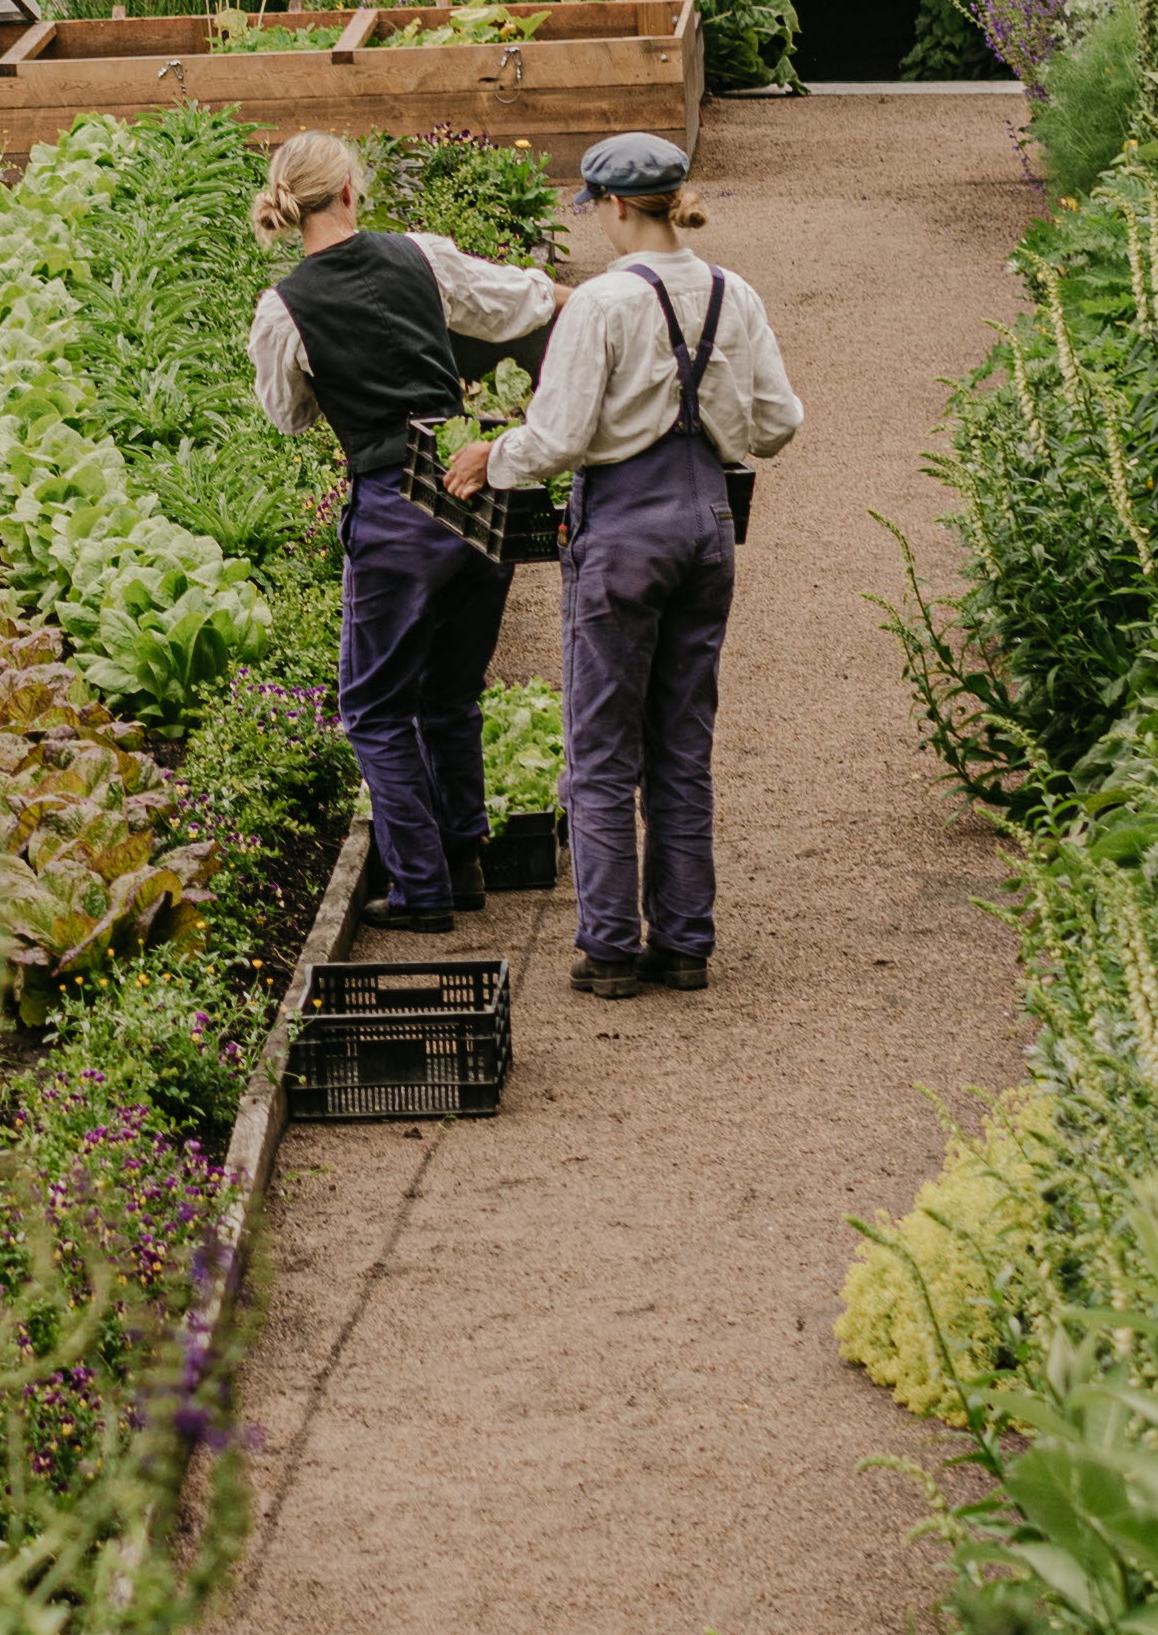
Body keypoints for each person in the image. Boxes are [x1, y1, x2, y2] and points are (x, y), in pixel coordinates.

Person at [449, 130, 802, 997]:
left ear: (610, 206)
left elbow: (560, 437)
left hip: (623, 531)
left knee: (602, 748)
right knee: (683, 743)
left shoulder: (602, 303)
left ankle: (609, 947)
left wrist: (488, 458)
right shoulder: (733, 292)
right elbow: (778, 423)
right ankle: (683, 943)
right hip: (708, 526)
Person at [247, 128, 559, 928]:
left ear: (293, 203)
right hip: (470, 485)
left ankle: (421, 889)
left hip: (394, 505)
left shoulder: (286, 308)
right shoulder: (420, 255)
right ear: (351, 191)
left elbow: (287, 416)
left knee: (376, 706)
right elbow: (512, 301)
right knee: (451, 692)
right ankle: (461, 861)